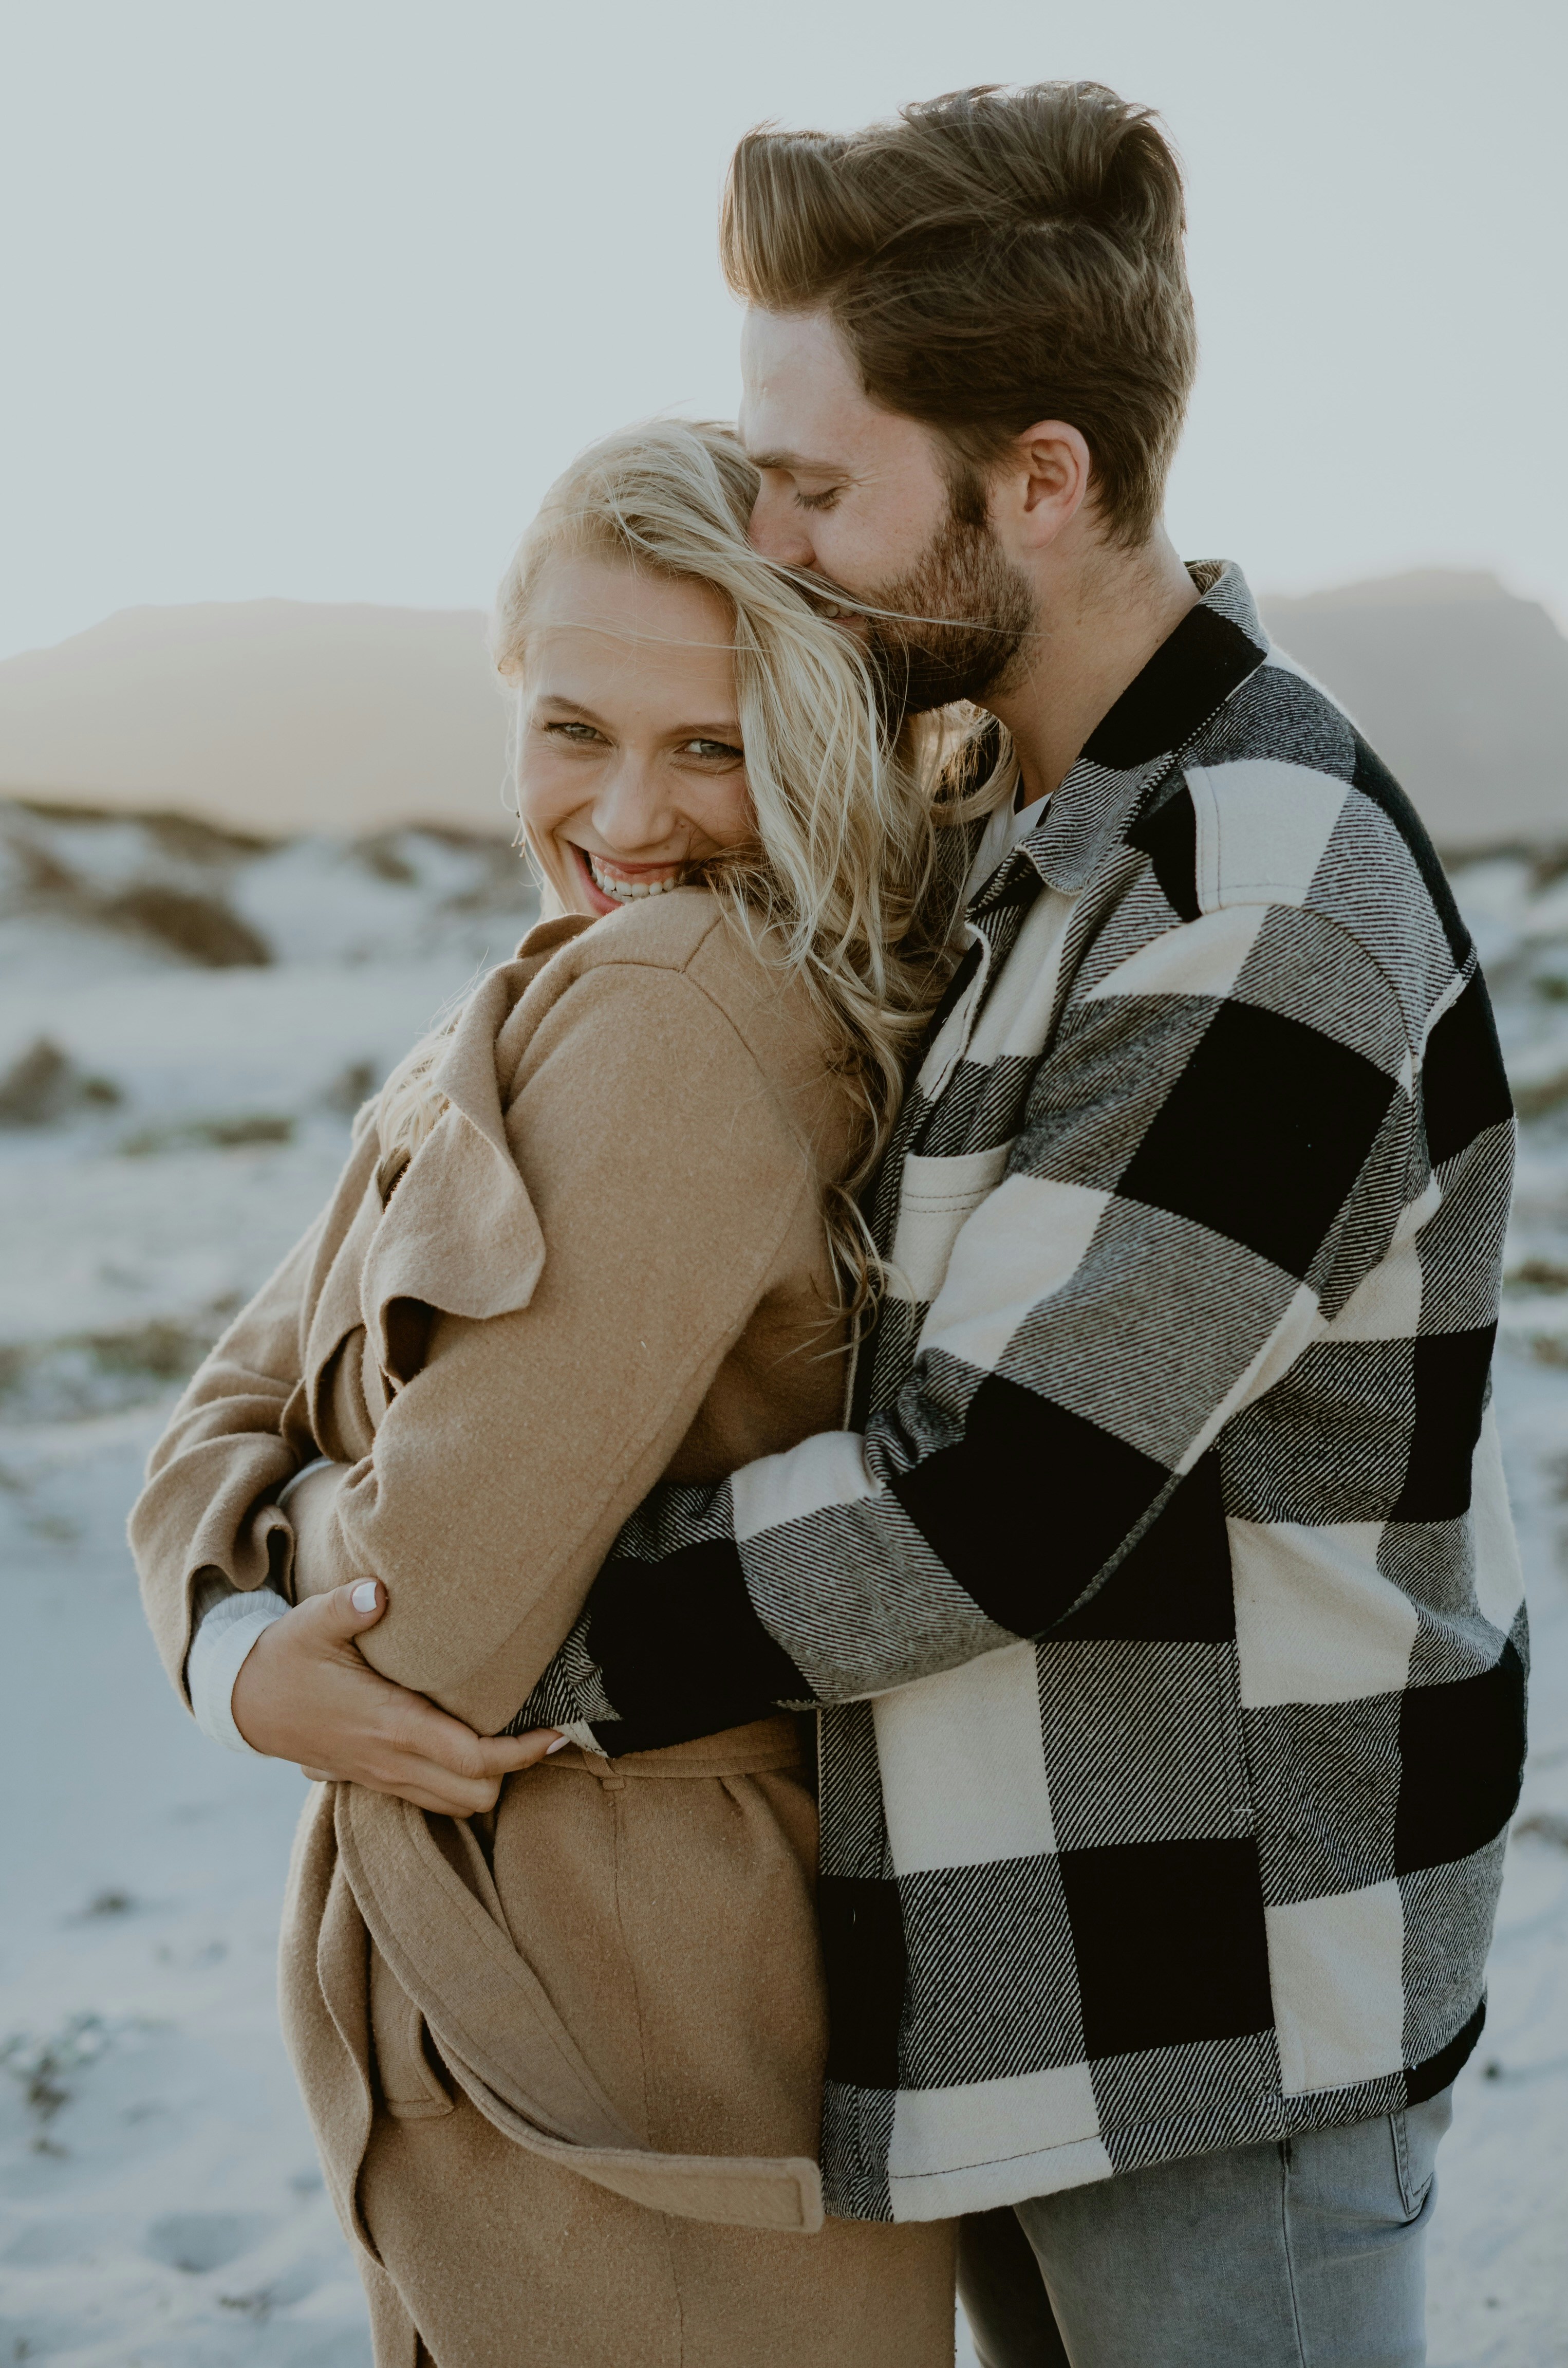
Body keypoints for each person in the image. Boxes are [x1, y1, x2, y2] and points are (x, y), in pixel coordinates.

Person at [500, 83, 1525, 2367]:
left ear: (1039, 483)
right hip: (1000, 1976)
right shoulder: (1006, 811)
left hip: (1212, 2018)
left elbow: (1000, 1497)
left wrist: (513, 1650)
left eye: (818, 486)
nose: (771, 540)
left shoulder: (1262, 889)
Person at [130, 420, 964, 2367]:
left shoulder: (681, 1003)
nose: (635, 815)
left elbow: (423, 1612)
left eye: (715, 744)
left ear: (828, 734)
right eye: (575, 728)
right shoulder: (535, 993)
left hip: (630, 1972)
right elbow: (209, 1418)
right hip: (561, 1945)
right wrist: (238, 1643)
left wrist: (275, 1572)